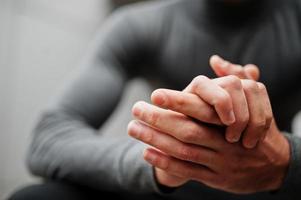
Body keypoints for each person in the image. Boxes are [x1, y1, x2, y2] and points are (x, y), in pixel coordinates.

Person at [9, 0, 301, 199]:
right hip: (171, 189)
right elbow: (49, 138)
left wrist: (283, 157)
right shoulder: (142, 25)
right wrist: (161, 161)